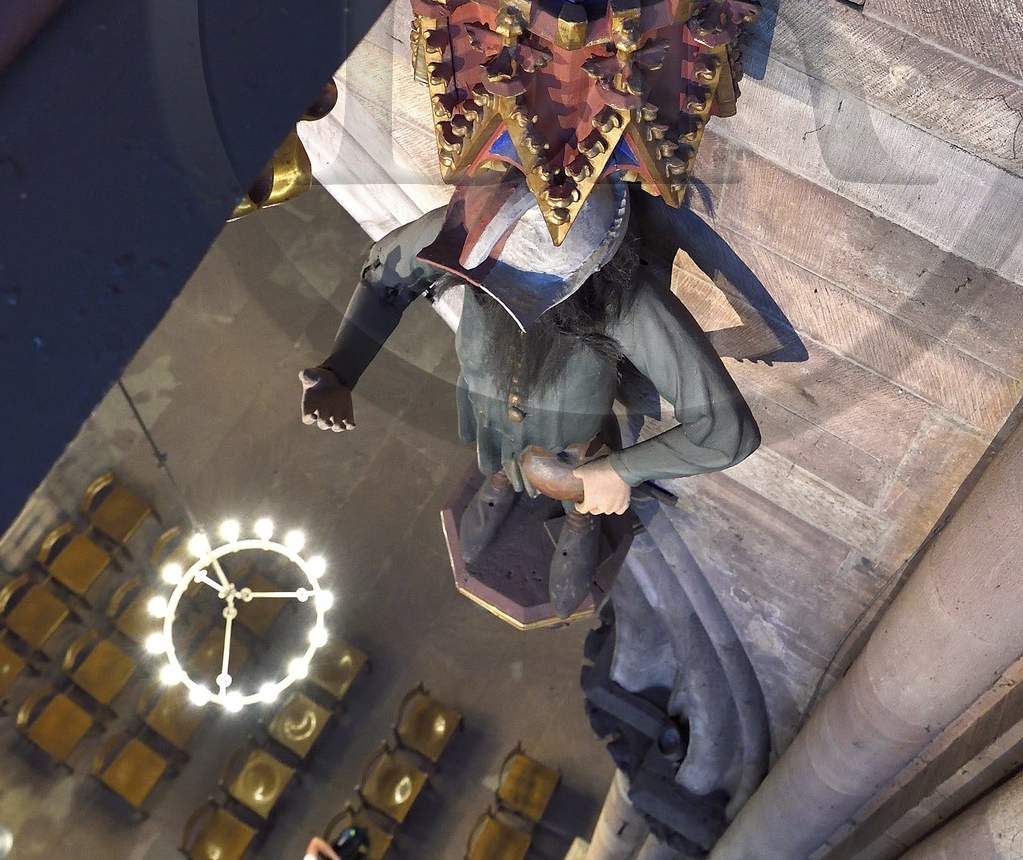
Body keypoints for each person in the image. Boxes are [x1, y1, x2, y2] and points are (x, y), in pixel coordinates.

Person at [298, 170, 760, 615]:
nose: (502, 299)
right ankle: (502, 475)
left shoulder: (621, 300)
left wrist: (618, 472)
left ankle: (580, 516)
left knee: (570, 475)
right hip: (490, 408)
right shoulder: (468, 235)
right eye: (493, 283)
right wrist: (342, 368)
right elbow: (385, 277)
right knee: (498, 451)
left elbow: (726, 431)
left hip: (573, 447)